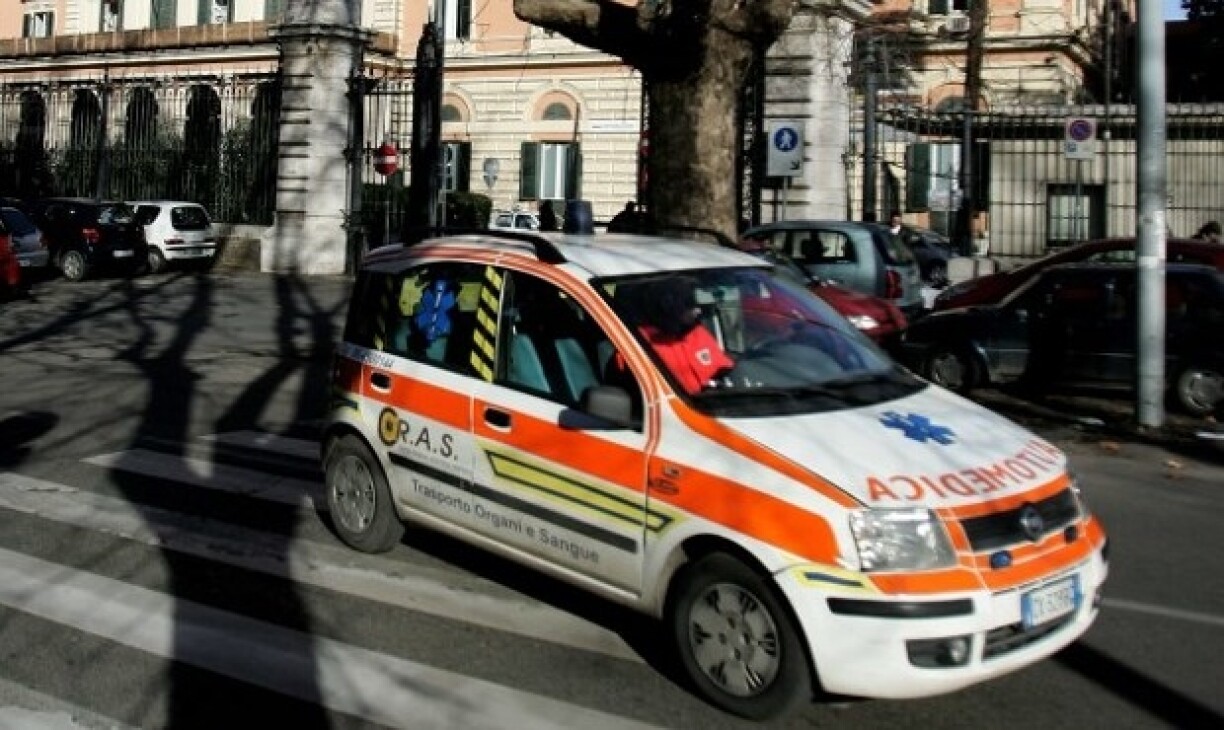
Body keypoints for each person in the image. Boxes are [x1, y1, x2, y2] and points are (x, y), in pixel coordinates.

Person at [636, 277, 734, 395]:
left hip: (715, 404)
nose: (698, 311)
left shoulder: (698, 333)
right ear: (670, 305)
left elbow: (723, 368)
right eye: (690, 305)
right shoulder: (639, 343)